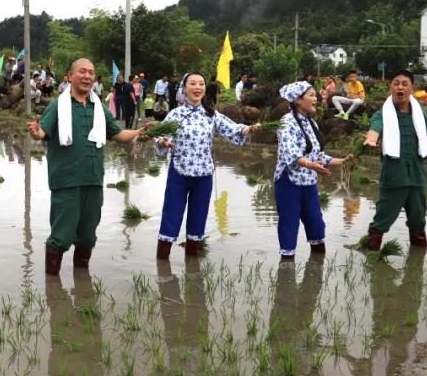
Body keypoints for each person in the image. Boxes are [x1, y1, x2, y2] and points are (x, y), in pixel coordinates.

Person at [27, 58, 146, 274]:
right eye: (82, 71)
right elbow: (43, 132)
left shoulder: (98, 107)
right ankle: (53, 291)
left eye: (91, 72)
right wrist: (37, 132)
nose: (88, 76)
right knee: (61, 236)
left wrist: (138, 133)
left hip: (93, 180)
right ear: (70, 76)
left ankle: (82, 288)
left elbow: (118, 134)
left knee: (87, 236)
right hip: (66, 181)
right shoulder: (58, 106)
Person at [154, 72, 259, 259]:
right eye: (192, 84)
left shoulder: (211, 114)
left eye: (201, 84)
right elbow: (161, 136)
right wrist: (163, 142)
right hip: (179, 173)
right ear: (184, 89)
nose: (197, 87)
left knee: (198, 218)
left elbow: (232, 129)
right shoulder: (176, 114)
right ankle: (162, 265)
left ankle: (192, 267)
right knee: (171, 215)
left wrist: (247, 129)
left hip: (204, 175)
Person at [362, 70, 427, 249]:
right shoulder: (383, 114)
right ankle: (371, 255)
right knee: (383, 217)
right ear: (391, 87)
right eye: (396, 83)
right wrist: (371, 139)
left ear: (412, 87)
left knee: (419, 218)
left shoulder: (420, 115)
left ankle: (417, 261)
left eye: (405, 83)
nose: (400, 87)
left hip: (417, 175)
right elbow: (375, 129)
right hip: (394, 175)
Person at [273, 82, 349, 259]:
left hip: (308, 182)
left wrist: (342, 161)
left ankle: (317, 268)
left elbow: (317, 154)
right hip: (288, 182)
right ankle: (286, 272)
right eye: (311, 95)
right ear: (298, 100)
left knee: (316, 222)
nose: (317, 99)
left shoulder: (311, 122)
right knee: (289, 224)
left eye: (316, 95)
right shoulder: (286, 122)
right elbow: (290, 152)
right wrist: (311, 165)